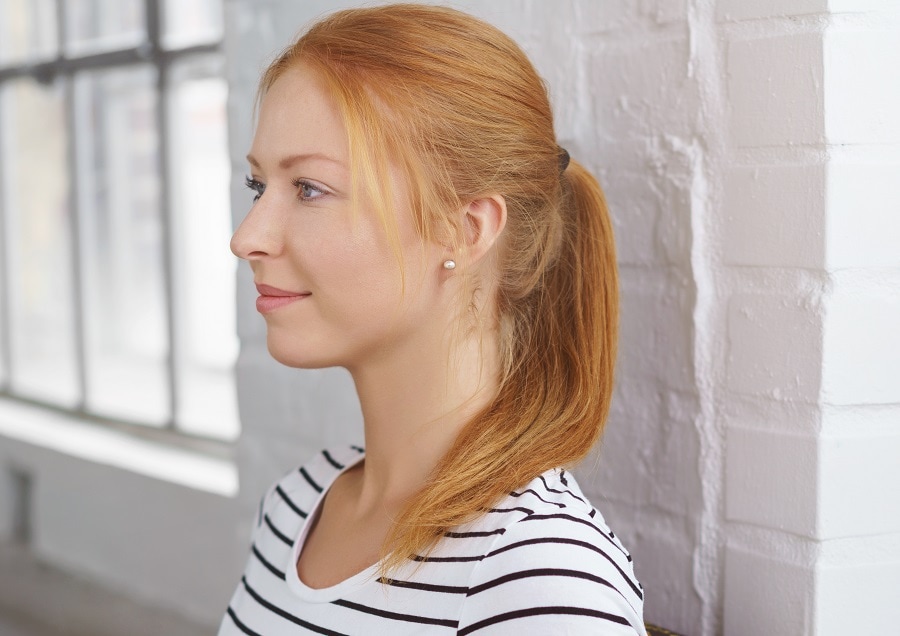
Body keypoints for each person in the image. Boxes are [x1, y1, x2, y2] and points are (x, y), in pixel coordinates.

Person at [220, 4, 645, 634]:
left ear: (464, 229)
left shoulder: (539, 579)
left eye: (309, 188)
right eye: (260, 189)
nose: (247, 237)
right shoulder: (295, 505)